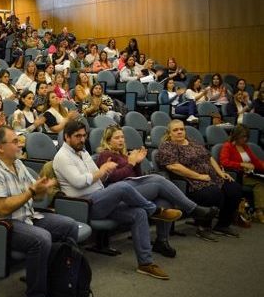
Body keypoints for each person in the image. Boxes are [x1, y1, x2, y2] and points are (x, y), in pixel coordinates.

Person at [54, 121, 184, 280]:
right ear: (66, 137)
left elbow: (98, 177)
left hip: (100, 197)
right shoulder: (62, 156)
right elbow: (79, 182)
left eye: (84, 135)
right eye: (77, 136)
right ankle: (155, 210)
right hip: (84, 205)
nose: (82, 139)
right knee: (122, 187)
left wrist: (106, 172)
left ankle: (145, 263)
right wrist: (102, 171)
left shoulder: (83, 152)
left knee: (138, 213)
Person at [0, 127, 79, 297]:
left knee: (69, 226)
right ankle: (34, 296)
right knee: (41, 239)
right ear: (0, 147)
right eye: (14, 141)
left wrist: (42, 189)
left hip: (26, 217)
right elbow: (2, 209)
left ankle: (57, 280)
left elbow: (37, 198)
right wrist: (32, 191)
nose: (20, 144)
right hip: (0, 226)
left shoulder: (17, 164)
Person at [95, 126, 217, 257]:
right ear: (108, 140)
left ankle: (161, 241)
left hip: (134, 189)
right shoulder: (105, 155)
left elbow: (137, 176)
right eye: (117, 138)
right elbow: (112, 179)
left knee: (164, 201)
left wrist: (137, 163)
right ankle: (192, 209)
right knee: (158, 180)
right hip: (119, 194)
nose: (121, 140)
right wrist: (130, 163)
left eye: (122, 137)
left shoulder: (125, 155)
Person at [156, 120, 242, 240]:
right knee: (214, 193)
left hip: (212, 177)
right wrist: (199, 176)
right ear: (169, 133)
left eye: (182, 129)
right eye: (175, 130)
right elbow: (173, 166)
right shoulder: (167, 146)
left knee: (235, 189)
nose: (180, 132)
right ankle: (203, 227)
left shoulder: (192, 142)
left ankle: (222, 225)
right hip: (192, 182)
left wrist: (221, 173)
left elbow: (209, 157)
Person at [219, 124, 263, 223]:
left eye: (246, 136)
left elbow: (256, 161)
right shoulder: (228, 146)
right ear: (236, 135)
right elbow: (224, 162)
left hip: (249, 174)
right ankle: (259, 211)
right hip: (238, 175)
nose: (245, 139)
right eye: (243, 136)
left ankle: (259, 211)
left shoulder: (245, 146)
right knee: (260, 183)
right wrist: (241, 164)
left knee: (260, 183)